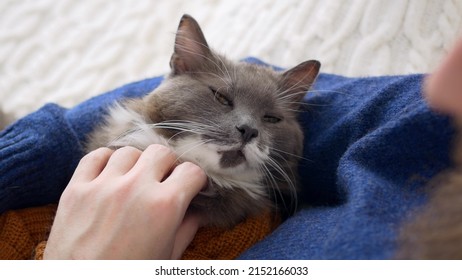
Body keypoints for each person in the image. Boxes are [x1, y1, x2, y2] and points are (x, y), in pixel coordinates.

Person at [0, 40, 460, 258]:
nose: (246, 129)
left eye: (270, 121)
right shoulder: (429, 116)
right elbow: (255, 74)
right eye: (223, 101)